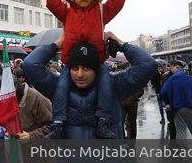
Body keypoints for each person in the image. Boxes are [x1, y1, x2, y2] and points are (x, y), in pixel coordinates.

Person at [23, 32, 157, 139]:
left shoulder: (115, 86)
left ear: (96, 70)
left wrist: (122, 45)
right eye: (75, 68)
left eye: (86, 69)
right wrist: (57, 44)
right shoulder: (57, 87)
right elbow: (30, 64)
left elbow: (148, 65)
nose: (80, 74)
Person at [45, 0, 127, 139]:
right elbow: (51, 2)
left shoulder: (101, 11)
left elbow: (117, 2)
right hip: (71, 62)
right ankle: (58, 123)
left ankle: (103, 121)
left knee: (106, 84)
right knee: (61, 85)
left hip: (96, 62)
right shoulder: (66, 11)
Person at [161, 61, 192, 139]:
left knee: (180, 131)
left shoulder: (171, 80)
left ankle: (183, 150)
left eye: (172, 68)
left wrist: (168, 102)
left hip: (177, 108)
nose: (171, 70)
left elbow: (163, 93)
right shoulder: (191, 78)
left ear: (176, 68)